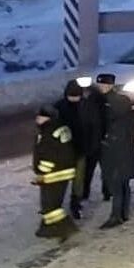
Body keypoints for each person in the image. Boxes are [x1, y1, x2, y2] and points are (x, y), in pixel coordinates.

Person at [95, 74, 134, 229]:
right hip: (124, 150)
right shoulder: (125, 106)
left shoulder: (107, 105)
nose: (101, 87)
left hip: (113, 151)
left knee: (116, 183)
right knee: (123, 182)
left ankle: (116, 216)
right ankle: (123, 214)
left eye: (103, 85)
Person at [54, 80, 102, 218]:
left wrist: (92, 146)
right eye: (71, 98)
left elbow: (95, 127)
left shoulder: (87, 107)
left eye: (76, 98)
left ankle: (75, 204)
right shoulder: (59, 108)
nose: (74, 101)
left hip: (81, 150)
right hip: (64, 152)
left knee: (78, 181)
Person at [32, 105, 79, 239]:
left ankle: (67, 228)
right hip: (62, 172)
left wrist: (42, 173)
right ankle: (47, 228)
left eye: (40, 117)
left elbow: (48, 155)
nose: (37, 119)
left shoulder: (48, 132)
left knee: (49, 206)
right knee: (52, 203)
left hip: (53, 174)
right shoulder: (60, 128)